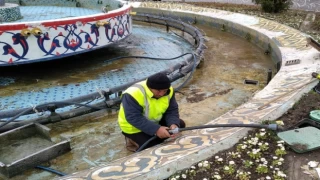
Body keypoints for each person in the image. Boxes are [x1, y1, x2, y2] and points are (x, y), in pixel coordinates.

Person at [118, 72, 186, 152]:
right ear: (149, 88)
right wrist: (156, 130)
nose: (161, 94)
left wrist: (173, 124)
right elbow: (133, 117)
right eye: (158, 91)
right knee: (151, 146)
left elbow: (171, 110)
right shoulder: (133, 93)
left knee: (180, 125)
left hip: (154, 120)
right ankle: (131, 142)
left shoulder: (169, 90)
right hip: (134, 127)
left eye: (164, 91)